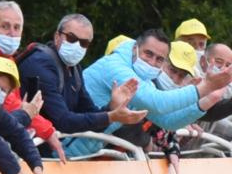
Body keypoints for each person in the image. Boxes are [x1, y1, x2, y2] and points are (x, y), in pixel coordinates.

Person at [78, 29, 232, 157]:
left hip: (81, 153)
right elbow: (158, 103)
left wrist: (209, 99)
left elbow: (168, 121)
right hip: (62, 149)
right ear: (134, 49)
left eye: (159, 59)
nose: (152, 63)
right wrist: (205, 88)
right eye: (148, 54)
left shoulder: (145, 80)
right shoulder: (115, 66)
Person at [16, 14, 146, 153]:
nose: (77, 46)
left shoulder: (74, 68)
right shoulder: (40, 63)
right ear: (57, 36)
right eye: (71, 38)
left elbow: (91, 117)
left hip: (44, 154)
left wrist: (111, 107)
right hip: (20, 151)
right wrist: (111, 116)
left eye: (84, 43)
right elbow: (63, 121)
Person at [0, 0, 62, 158]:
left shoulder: (7, 58)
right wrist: (45, 128)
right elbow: (7, 103)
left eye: (17, 27)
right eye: (5, 26)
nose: (12, 33)